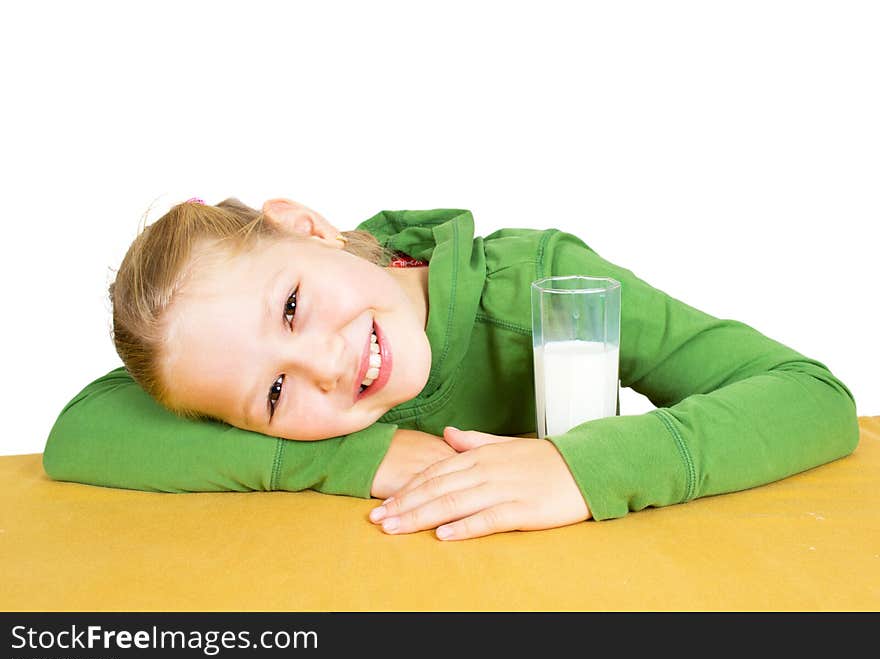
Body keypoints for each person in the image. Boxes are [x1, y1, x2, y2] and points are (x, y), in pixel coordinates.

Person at [43, 197, 860, 541]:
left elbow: (811, 396)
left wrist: (580, 470)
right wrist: (358, 454)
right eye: (276, 392)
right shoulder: (323, 414)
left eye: (291, 307)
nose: (325, 364)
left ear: (305, 226)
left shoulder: (538, 283)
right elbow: (79, 434)